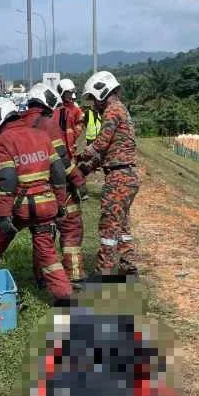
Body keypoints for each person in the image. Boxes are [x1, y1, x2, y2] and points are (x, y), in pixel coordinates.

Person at [0, 97, 72, 302]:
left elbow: (8, 180)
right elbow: (59, 172)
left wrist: (5, 216)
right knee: (48, 254)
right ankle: (64, 295)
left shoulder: (3, 141)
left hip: (20, 209)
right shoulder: (41, 135)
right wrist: (60, 203)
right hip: (46, 205)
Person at [24, 82, 88, 286]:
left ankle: (42, 277)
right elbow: (61, 158)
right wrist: (78, 179)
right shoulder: (48, 122)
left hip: (33, 190)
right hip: (57, 186)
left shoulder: (20, 124)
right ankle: (74, 273)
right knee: (71, 226)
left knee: (42, 233)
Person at [77, 71, 138, 276]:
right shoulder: (122, 110)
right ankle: (128, 265)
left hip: (118, 178)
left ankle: (103, 273)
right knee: (122, 226)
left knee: (108, 228)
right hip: (128, 176)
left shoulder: (112, 111)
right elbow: (108, 150)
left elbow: (101, 144)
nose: (94, 104)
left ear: (102, 93)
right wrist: (87, 167)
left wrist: (82, 156)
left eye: (94, 98)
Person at [55, 78, 85, 157]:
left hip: (71, 146)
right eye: (68, 93)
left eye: (71, 93)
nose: (71, 96)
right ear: (62, 93)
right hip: (57, 145)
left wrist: (74, 134)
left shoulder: (75, 108)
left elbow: (80, 122)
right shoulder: (55, 108)